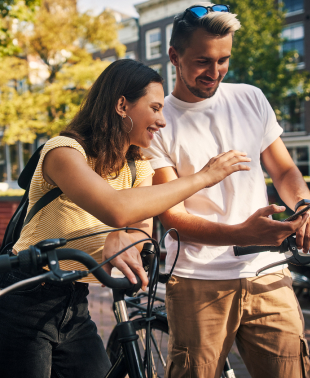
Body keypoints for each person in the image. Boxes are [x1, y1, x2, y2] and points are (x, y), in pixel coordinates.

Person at [0, 59, 251, 378]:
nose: (162, 120)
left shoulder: (139, 168)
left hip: (75, 302)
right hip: (25, 295)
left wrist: (123, 238)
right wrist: (204, 177)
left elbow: (139, 229)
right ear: (122, 105)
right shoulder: (64, 152)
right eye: (155, 108)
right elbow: (116, 208)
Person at [143, 4, 310, 378]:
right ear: (174, 56)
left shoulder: (251, 98)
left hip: (267, 271)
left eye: (224, 60)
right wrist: (241, 234)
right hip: (197, 282)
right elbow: (172, 217)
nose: (214, 72)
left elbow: (283, 169)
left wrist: (303, 204)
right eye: (203, 61)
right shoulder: (156, 122)